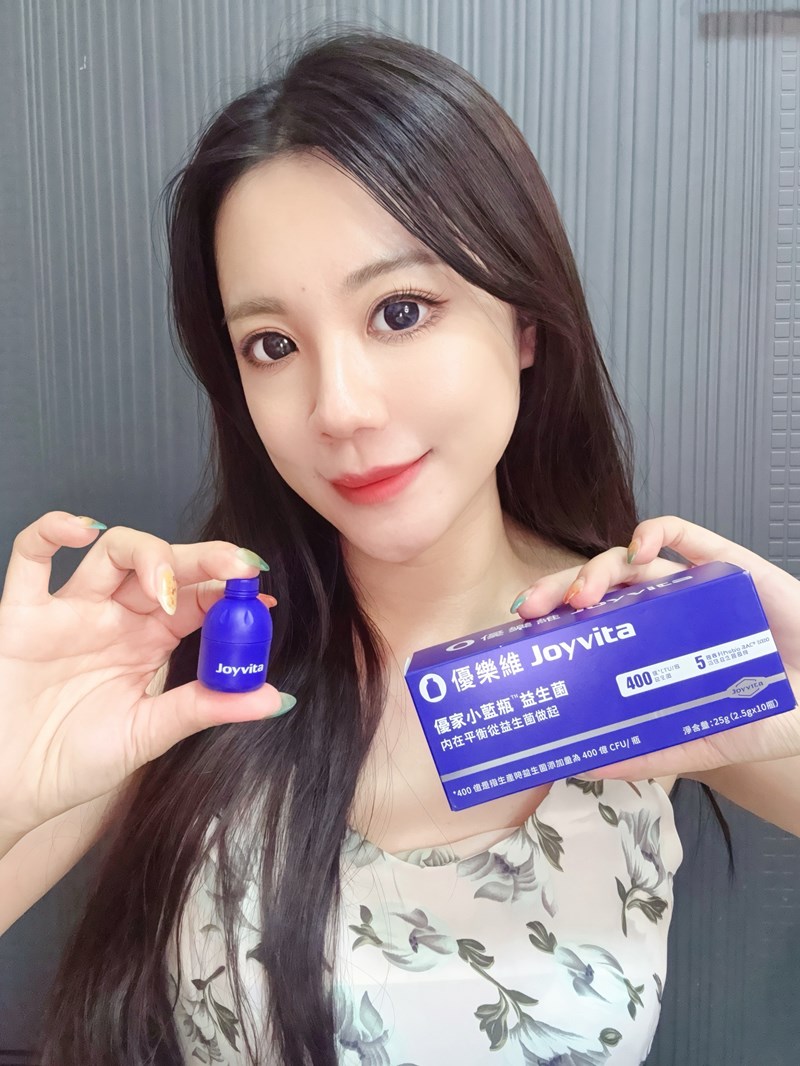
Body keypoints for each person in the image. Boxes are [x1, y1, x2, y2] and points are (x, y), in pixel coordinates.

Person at [0, 27, 798, 1066]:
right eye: (272, 345)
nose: (339, 407)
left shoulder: (647, 648)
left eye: (401, 310)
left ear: (523, 320)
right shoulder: (188, 664)